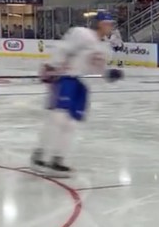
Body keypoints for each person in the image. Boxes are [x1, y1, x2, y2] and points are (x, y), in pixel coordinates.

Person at [30, 11, 124, 176]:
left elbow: (98, 70)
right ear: (100, 23)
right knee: (58, 118)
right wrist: (51, 66)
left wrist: (110, 74)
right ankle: (40, 155)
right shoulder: (81, 34)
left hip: (82, 86)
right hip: (67, 79)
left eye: (111, 24)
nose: (110, 27)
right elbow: (63, 49)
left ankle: (58, 159)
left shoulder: (105, 48)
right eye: (108, 23)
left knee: (71, 124)